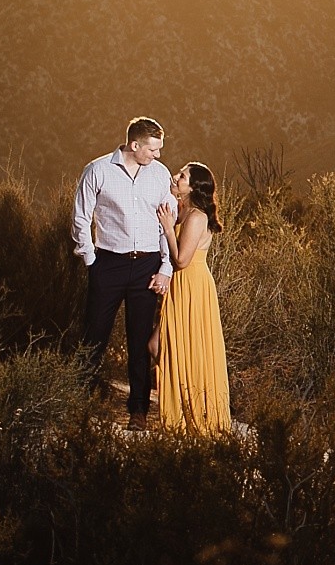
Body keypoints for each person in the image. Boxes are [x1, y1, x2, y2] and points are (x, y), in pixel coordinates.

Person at [72, 117, 175, 429]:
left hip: (146, 266)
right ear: (135, 145)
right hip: (108, 264)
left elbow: (167, 223)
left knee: (140, 342)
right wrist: (91, 259)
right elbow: (80, 215)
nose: (158, 155)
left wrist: (166, 267)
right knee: (94, 337)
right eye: (153, 149)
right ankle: (80, 406)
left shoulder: (160, 175)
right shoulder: (98, 170)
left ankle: (139, 412)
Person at [155, 159, 233, 434]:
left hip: (192, 285)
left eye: (183, 176)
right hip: (181, 285)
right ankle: (181, 410)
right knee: (165, 344)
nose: (176, 177)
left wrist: (167, 227)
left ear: (193, 188)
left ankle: (193, 414)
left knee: (182, 345)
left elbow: (182, 259)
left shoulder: (197, 216)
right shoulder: (183, 211)